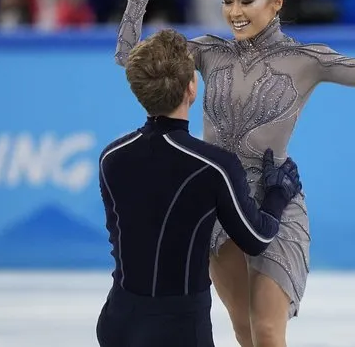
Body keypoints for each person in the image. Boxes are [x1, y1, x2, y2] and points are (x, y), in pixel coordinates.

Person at [114, 0, 355, 347]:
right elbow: (128, 57)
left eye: (246, 0)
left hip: (273, 196)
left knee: (267, 331)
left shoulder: (306, 60)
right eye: (227, 1)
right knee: (244, 330)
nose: (234, 12)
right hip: (218, 202)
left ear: (275, 3)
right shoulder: (209, 51)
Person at [96, 29, 303, 347]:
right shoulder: (214, 165)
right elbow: (257, 237)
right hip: (179, 328)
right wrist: (277, 193)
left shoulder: (111, 157)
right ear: (192, 88)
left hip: (118, 320)